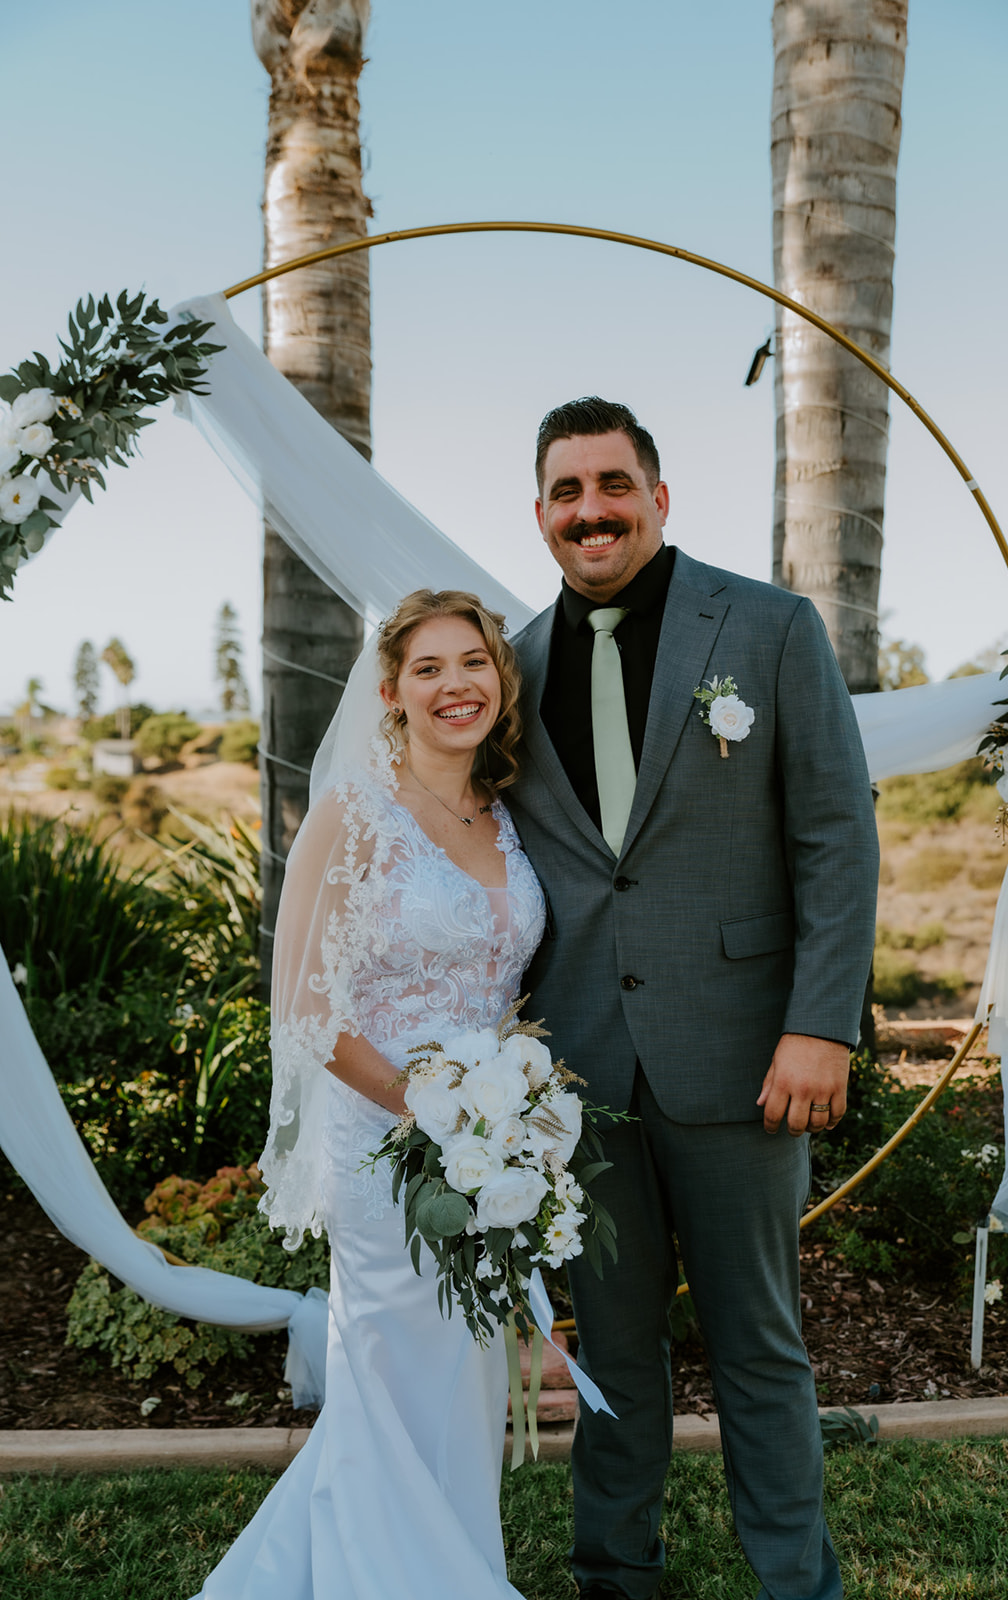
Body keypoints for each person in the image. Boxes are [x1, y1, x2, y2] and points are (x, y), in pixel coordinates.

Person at [506, 397, 879, 1600]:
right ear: (542, 516)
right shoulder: (509, 665)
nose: (591, 511)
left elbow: (836, 834)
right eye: (567, 492)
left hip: (746, 1060)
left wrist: (820, 1023)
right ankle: (616, 1574)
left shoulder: (767, 627)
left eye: (613, 484)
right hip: (584, 1077)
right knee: (614, 1352)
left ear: (659, 498)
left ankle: (795, 1582)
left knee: (759, 1346)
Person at [191, 590, 544, 1600]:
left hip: (489, 1151)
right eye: (427, 669)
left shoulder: (506, 812)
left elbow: (506, 984)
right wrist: (428, 1108)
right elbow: (304, 1007)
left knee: (460, 1386)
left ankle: (449, 1565)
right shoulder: (354, 812)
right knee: (390, 1384)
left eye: (471, 662)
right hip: (387, 1151)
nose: (454, 685)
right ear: (389, 691)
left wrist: (509, 1114)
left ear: (498, 679)